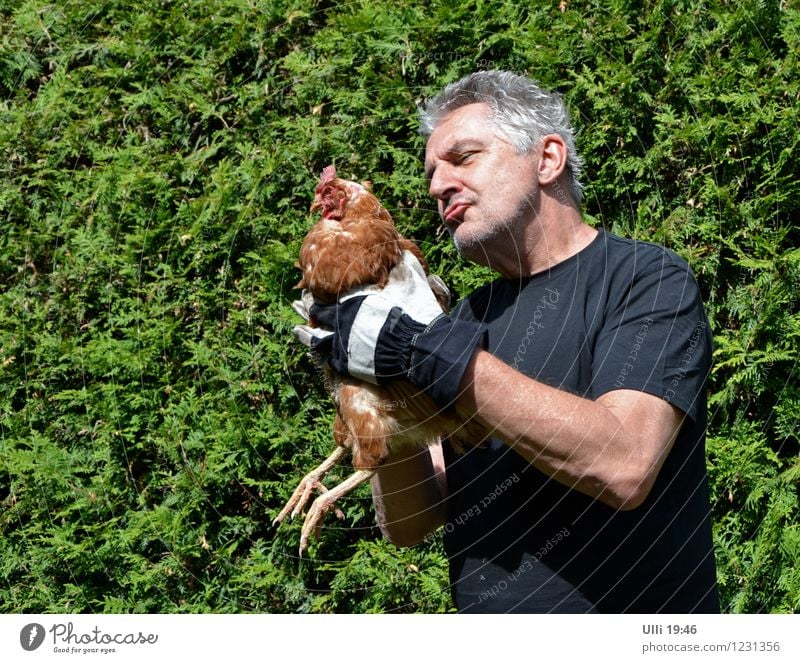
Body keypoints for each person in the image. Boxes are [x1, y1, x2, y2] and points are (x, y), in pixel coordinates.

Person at [303, 70, 719, 613]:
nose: (437, 185)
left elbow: (625, 463)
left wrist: (426, 354)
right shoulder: (460, 317)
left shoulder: (645, 278)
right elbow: (410, 522)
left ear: (547, 159)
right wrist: (371, 382)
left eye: (464, 157)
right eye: (431, 173)